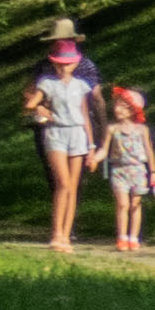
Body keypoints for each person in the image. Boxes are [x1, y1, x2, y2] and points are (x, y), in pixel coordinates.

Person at [23, 24, 105, 251]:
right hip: (55, 132)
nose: (62, 67)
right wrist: (39, 109)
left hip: (77, 133)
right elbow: (30, 99)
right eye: (59, 62)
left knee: (72, 185)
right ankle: (57, 233)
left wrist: (94, 142)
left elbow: (89, 109)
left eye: (67, 63)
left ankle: (66, 234)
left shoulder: (83, 79)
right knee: (62, 183)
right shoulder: (45, 77)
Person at [102, 80, 155, 252]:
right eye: (117, 106)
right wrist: (95, 157)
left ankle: (134, 237)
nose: (118, 110)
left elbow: (149, 151)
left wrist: (153, 172)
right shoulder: (112, 129)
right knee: (122, 204)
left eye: (123, 107)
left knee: (135, 204)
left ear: (133, 110)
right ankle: (122, 237)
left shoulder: (142, 130)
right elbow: (104, 150)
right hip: (119, 170)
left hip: (138, 170)